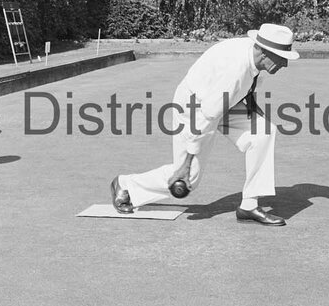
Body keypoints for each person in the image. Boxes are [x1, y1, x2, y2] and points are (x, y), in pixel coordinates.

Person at [111, 23, 299, 226]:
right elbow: (207, 117)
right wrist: (186, 163)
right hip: (195, 107)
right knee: (189, 177)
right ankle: (125, 185)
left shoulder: (253, 53)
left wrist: (255, 112)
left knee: (263, 131)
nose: (285, 65)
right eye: (282, 58)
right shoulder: (234, 71)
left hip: (224, 103)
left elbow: (248, 87)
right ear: (264, 52)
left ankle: (249, 206)